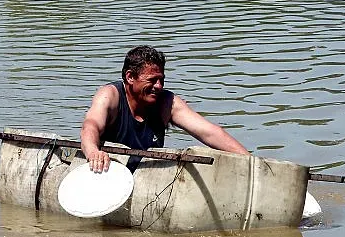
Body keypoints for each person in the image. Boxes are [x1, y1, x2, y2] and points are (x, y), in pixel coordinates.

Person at [80, 45, 249, 173]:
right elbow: (91, 125)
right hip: (106, 171)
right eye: (152, 80)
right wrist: (93, 152)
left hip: (147, 175)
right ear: (130, 77)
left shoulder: (166, 102)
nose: (158, 86)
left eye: (161, 80)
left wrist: (251, 162)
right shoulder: (109, 95)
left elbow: (210, 132)